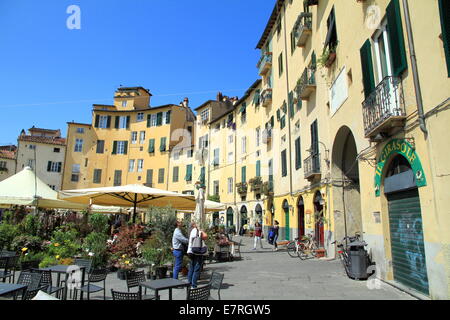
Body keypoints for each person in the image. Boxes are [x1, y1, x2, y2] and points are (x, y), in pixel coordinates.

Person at [187, 221, 207, 288]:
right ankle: (194, 285)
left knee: (191, 268)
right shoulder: (198, 231)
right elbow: (205, 236)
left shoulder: (191, 231)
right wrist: (201, 230)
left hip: (190, 251)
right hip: (197, 251)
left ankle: (189, 283)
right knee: (197, 269)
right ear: (195, 225)